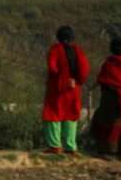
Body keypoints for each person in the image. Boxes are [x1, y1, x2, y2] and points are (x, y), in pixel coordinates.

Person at [43, 26, 90, 155]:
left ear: (58, 36)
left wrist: (60, 78)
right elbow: (85, 68)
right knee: (70, 116)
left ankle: (55, 146)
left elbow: (52, 67)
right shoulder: (77, 50)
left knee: (53, 114)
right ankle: (71, 147)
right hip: (73, 88)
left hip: (57, 88)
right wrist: (77, 80)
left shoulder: (55, 49)